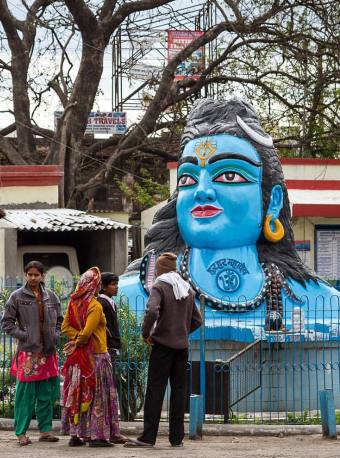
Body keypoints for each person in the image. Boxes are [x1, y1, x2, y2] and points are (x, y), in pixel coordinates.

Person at [119, 98, 340, 338]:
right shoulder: (130, 297)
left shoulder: (317, 300)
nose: (202, 190)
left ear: (272, 202)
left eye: (230, 175)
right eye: (188, 178)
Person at [125, 253, 202, 448]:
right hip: (181, 348)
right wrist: (182, 331)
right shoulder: (186, 288)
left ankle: (148, 437)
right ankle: (177, 439)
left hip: (162, 346)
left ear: (160, 269)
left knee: (155, 391)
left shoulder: (159, 286)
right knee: (179, 391)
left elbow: (152, 311)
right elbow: (197, 320)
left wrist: (147, 333)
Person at [61, 267, 125, 447]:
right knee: (99, 397)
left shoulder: (73, 303)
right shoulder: (94, 306)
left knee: (79, 394)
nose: (98, 288)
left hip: (78, 359)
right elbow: (87, 333)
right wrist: (79, 340)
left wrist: (75, 340)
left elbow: (65, 327)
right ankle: (97, 436)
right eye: (97, 285)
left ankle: (76, 435)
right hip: (96, 357)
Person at [1, 261, 62, 446]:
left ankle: (45, 431)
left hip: (48, 352)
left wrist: (56, 334)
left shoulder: (51, 297)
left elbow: (60, 320)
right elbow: (6, 324)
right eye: (30, 274)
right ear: (25, 275)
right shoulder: (17, 297)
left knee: (46, 394)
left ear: (42, 276)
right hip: (28, 353)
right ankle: (21, 433)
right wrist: (25, 336)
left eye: (37, 274)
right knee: (25, 396)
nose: (33, 277)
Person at [97, 272, 121, 372]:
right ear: (104, 287)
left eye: (117, 284)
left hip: (112, 345)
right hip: (106, 346)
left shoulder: (111, 302)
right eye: (113, 284)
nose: (116, 287)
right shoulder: (101, 303)